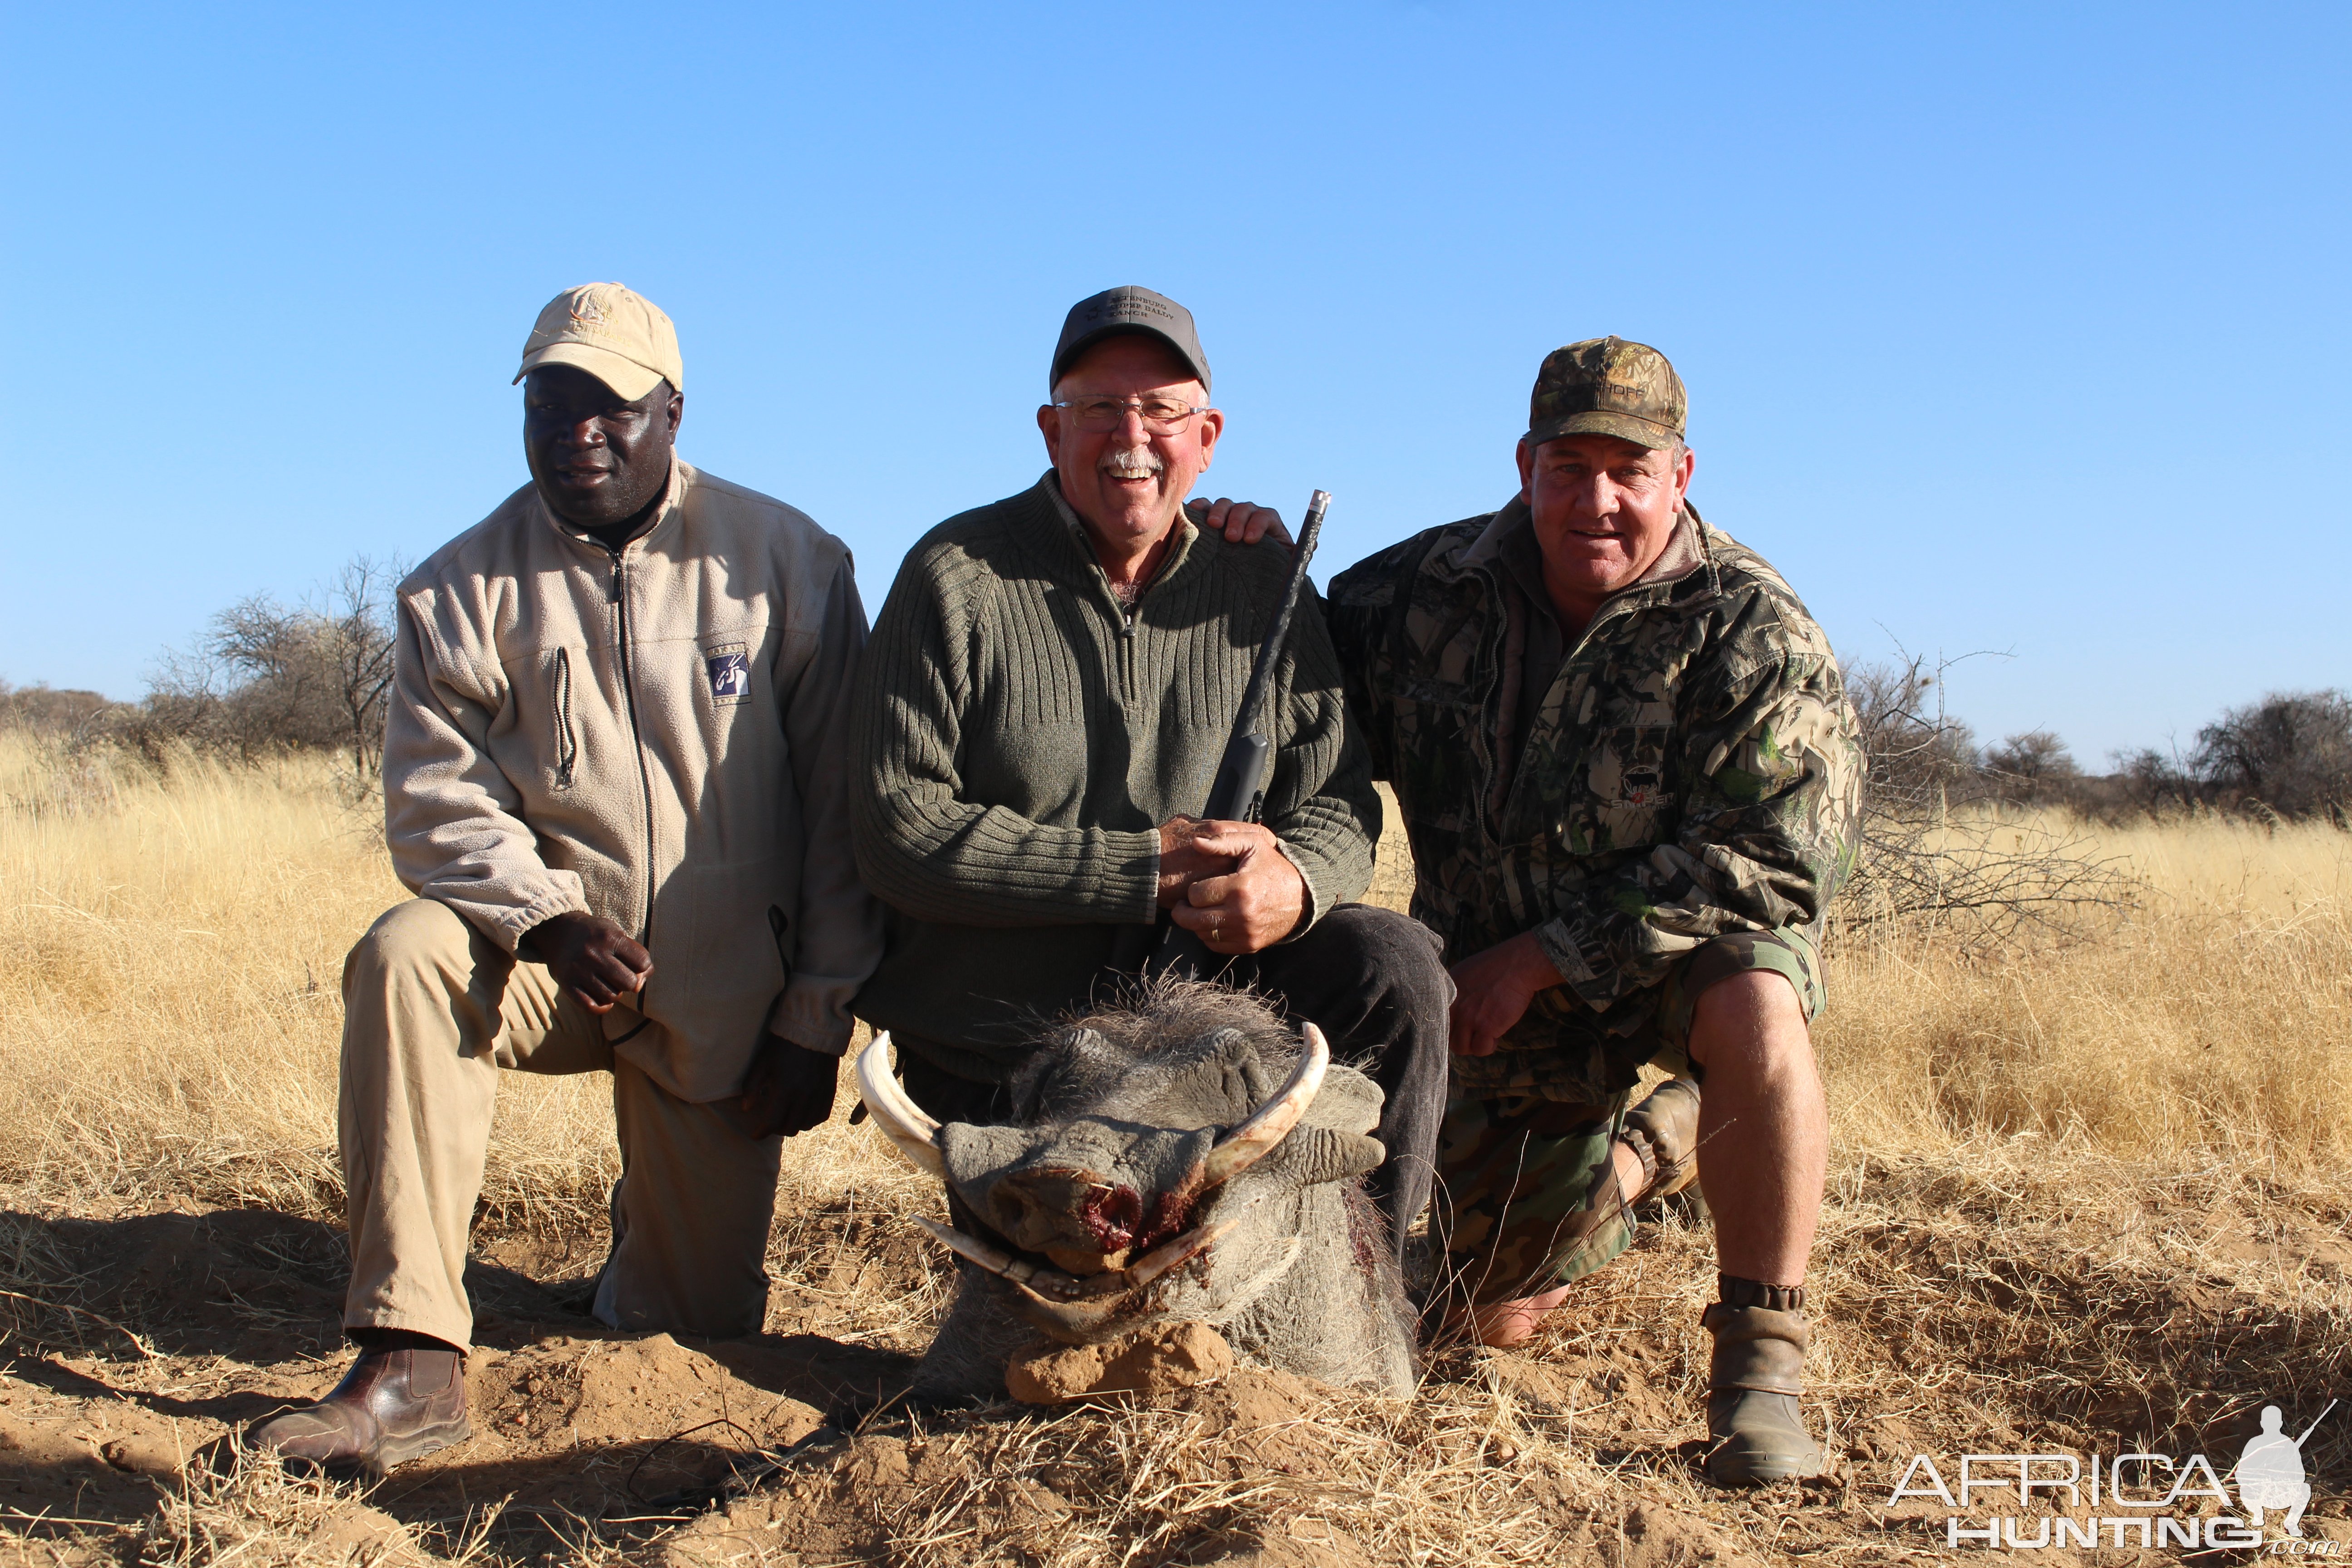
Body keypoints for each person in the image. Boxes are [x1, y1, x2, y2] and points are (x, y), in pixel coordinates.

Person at [247, 283, 882, 1474]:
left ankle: (638, 1259)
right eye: (550, 404)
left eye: (610, 407)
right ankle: (410, 1358)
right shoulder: (456, 588)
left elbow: (846, 818)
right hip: (544, 968)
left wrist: (812, 1022)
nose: (577, 432)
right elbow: (436, 804)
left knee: (688, 1332)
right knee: (404, 954)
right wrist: (543, 919)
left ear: (674, 413)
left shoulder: (790, 564)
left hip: (725, 995)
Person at [1326, 337, 1862, 1486]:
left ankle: (1761, 1371)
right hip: (1499, 1011)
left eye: (1630, 469)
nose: (1598, 501)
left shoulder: (1754, 628)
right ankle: (1650, 1149)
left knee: (1760, 999)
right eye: (1570, 467)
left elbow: (1778, 864)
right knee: (1492, 1322)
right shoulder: (1413, 593)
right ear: (1525, 465)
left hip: (1668, 968)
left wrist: (1548, 953)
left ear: (1683, 472)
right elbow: (1280, 679)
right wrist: (1226, 548)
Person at [849, 286, 1450, 1260]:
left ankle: (1383, 1286)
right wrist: (1146, 871)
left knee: (1397, 967)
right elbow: (896, 830)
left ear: (1205, 437)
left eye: (1162, 410)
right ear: (1052, 431)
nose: (1132, 435)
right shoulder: (952, 573)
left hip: (1208, 1025)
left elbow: (1338, 800)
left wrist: (1292, 885)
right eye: (1099, 408)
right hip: (1008, 1043)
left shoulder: (1265, 578)